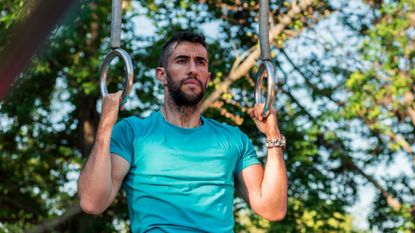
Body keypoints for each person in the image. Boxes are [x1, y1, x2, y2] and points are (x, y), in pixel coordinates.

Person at [78, 31, 287, 233]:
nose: (193, 69)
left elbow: (273, 209)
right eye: (182, 60)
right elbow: (92, 202)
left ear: (208, 77)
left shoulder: (233, 139)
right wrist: (106, 123)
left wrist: (273, 136)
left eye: (200, 62)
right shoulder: (133, 133)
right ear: (162, 75)